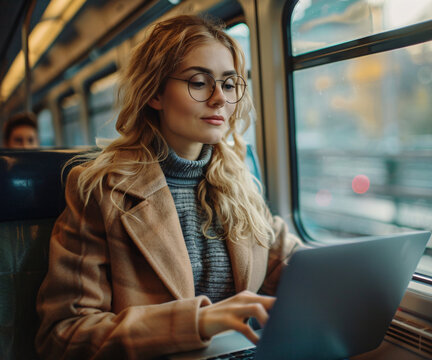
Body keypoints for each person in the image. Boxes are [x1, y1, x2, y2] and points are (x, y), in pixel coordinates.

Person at [34, 14, 303, 360]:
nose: (220, 98)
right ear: (155, 94)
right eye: (199, 82)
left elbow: (293, 264)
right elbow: (64, 337)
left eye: (230, 83)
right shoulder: (100, 191)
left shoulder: (239, 183)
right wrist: (198, 322)